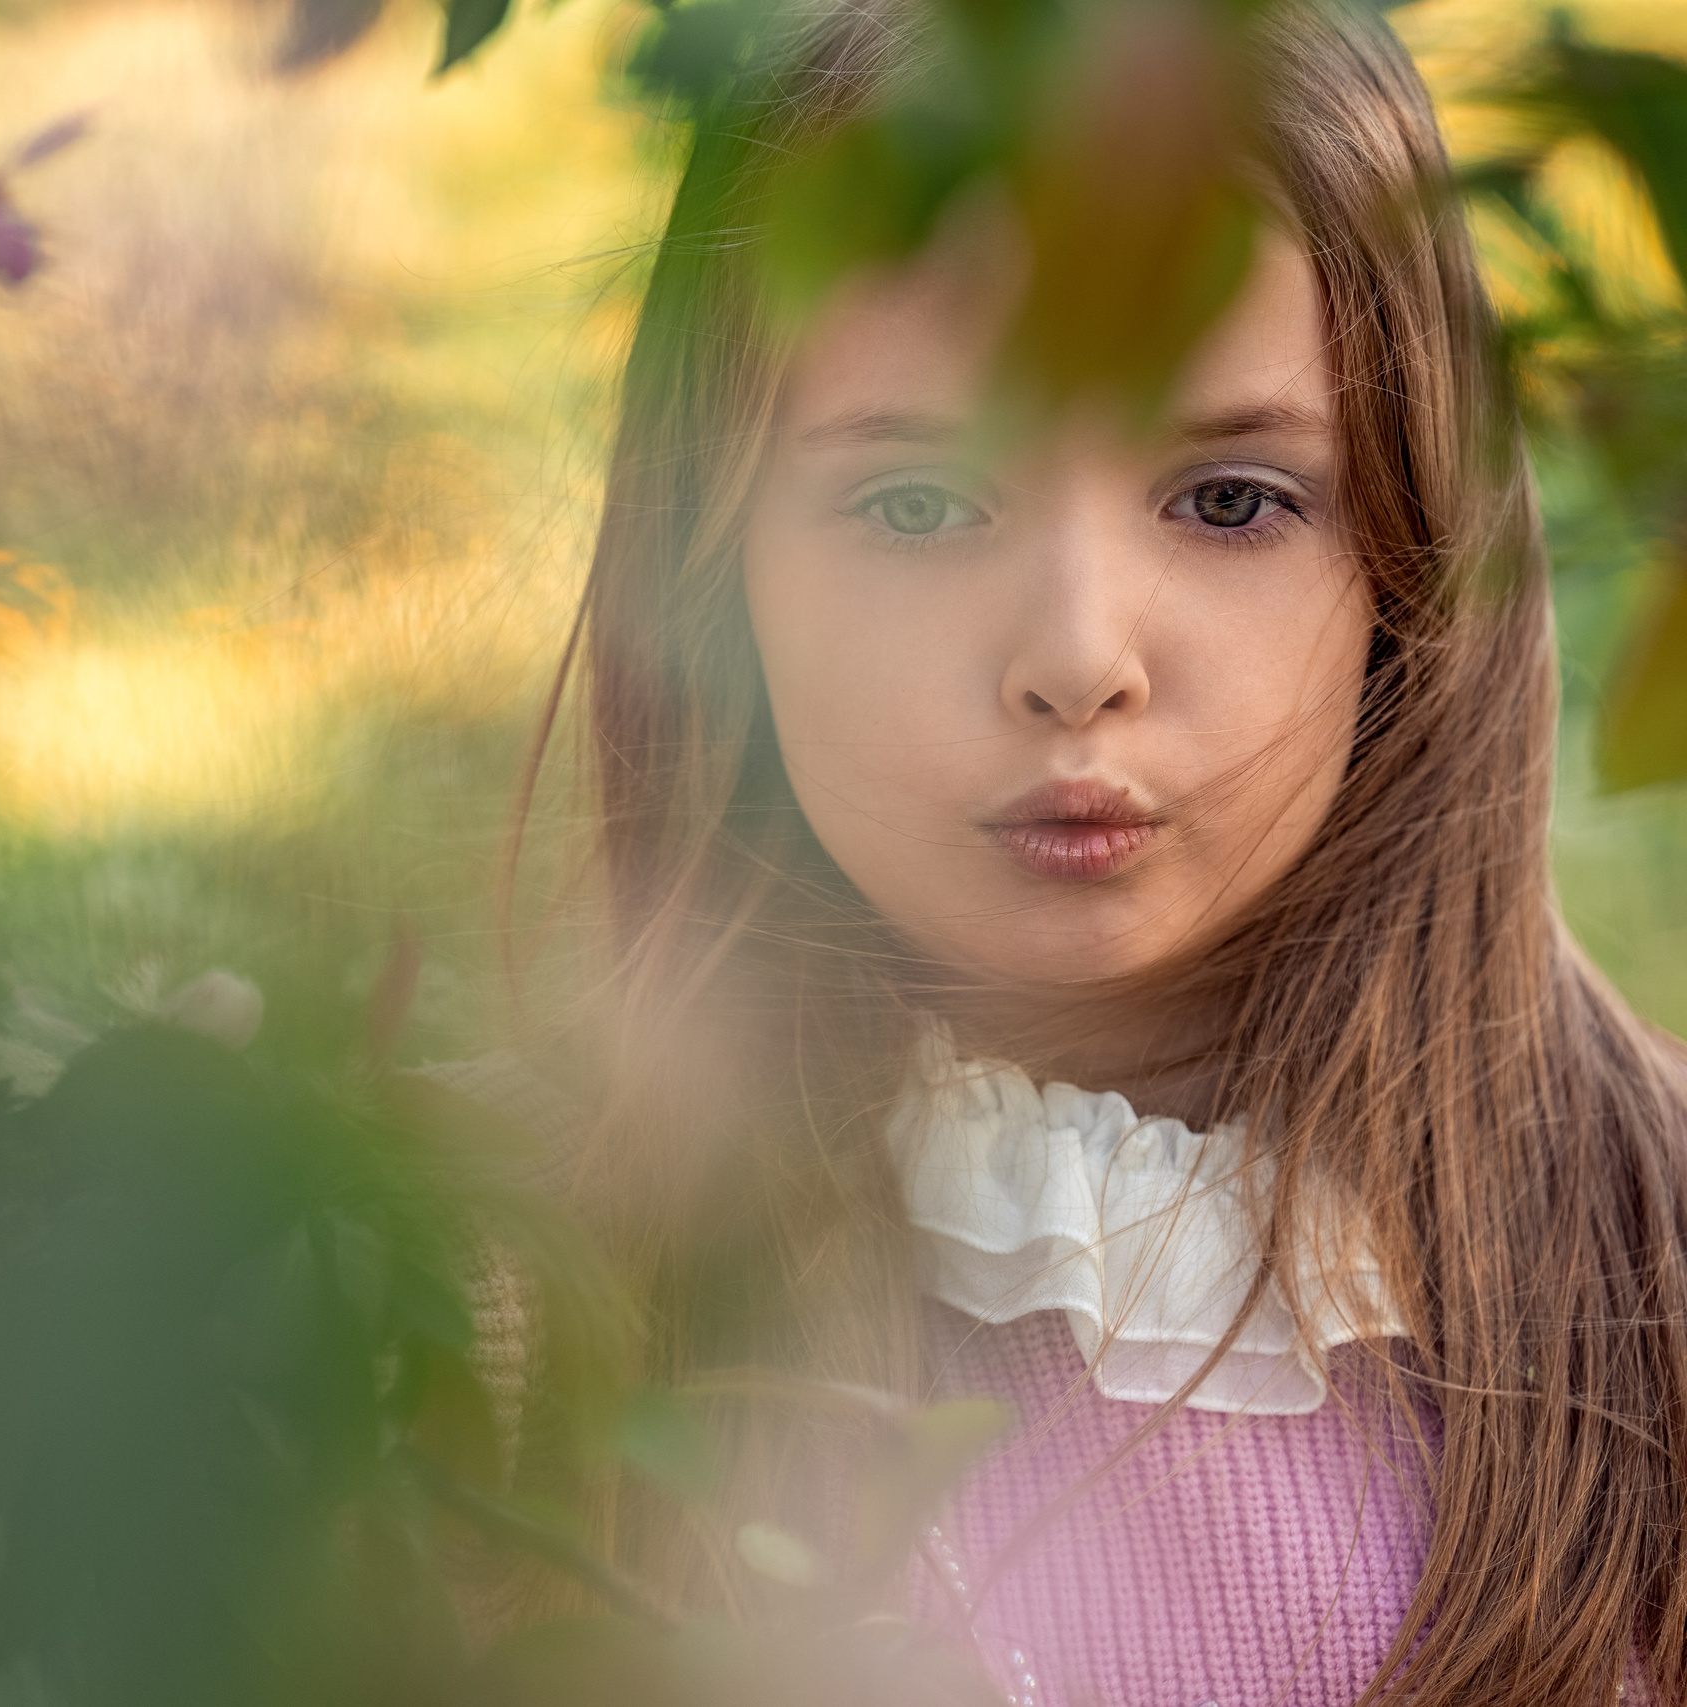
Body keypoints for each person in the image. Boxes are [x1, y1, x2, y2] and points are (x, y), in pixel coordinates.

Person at [453, 1, 1687, 1701]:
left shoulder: (1654, 1266)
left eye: (1231, 499)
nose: (1077, 655)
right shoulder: (481, 1296)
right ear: (712, 565)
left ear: (1412, 560)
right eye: (918, 504)